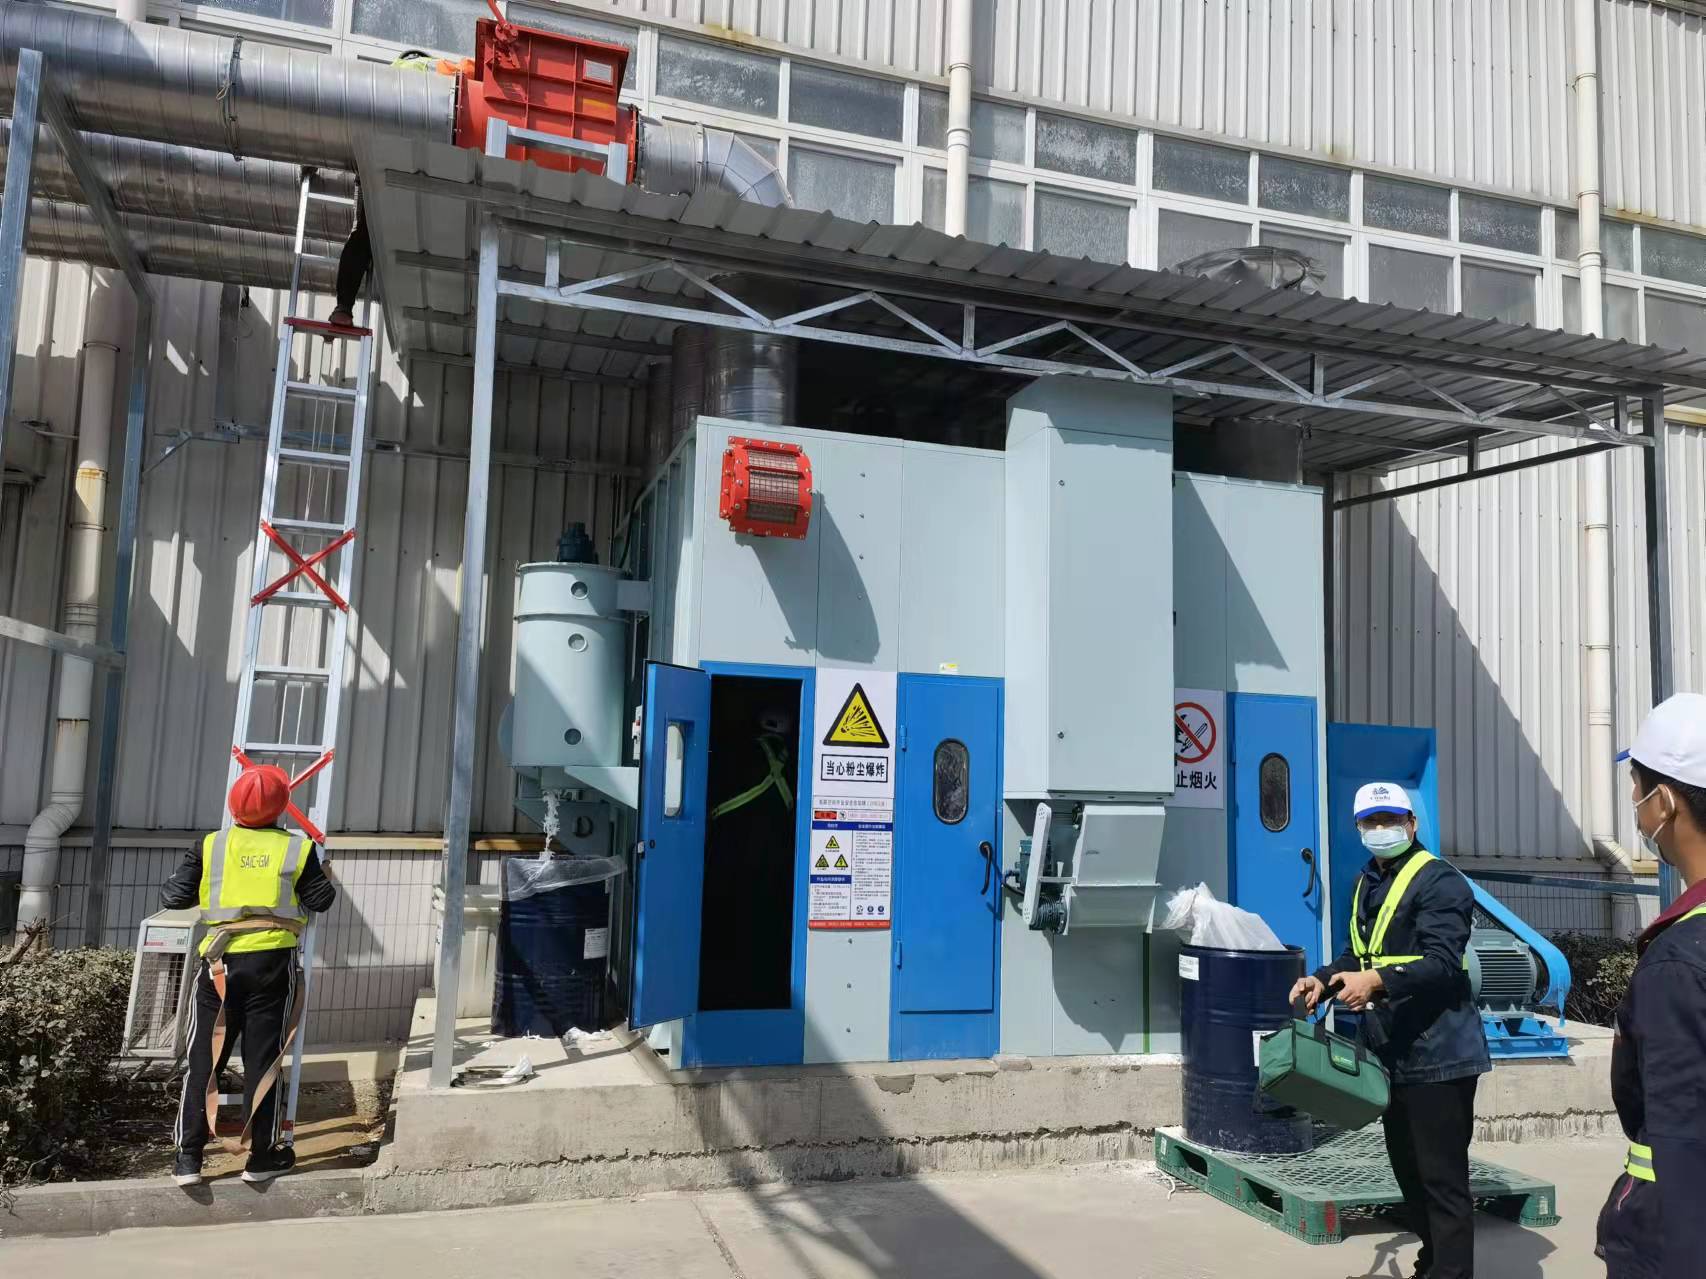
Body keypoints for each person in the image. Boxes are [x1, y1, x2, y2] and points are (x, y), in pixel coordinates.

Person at [1290, 782, 1490, 1279]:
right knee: (1410, 1175)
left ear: (1411, 823)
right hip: (1393, 1051)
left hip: (1440, 1053)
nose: (1381, 829)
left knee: (1442, 1181)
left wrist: (1376, 981)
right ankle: (1432, 1264)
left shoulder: (1441, 882)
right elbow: (1358, 955)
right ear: (1359, 828)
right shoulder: (1366, 881)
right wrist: (1323, 980)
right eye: (1372, 822)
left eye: (1391, 819)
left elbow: (1443, 963)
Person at [159, 765, 336, 1186]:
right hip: (272, 966)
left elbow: (174, 897)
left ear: (233, 804)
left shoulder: (210, 845)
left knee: (204, 1060)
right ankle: (261, 1158)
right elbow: (321, 901)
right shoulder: (297, 849)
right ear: (281, 807)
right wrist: (320, 873)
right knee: (263, 1061)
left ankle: (188, 1159)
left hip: (218, 965)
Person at [1596, 692, 1706, 1278]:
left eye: (1636, 788)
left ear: (1664, 801)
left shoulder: (1678, 962)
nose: (1636, 806)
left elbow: (1683, 1148)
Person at [327, 51, 468, 329]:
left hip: (379, 161)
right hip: (418, 168)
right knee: (410, 240)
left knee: (363, 236)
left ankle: (344, 307)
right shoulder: (441, 70)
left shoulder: (393, 71)